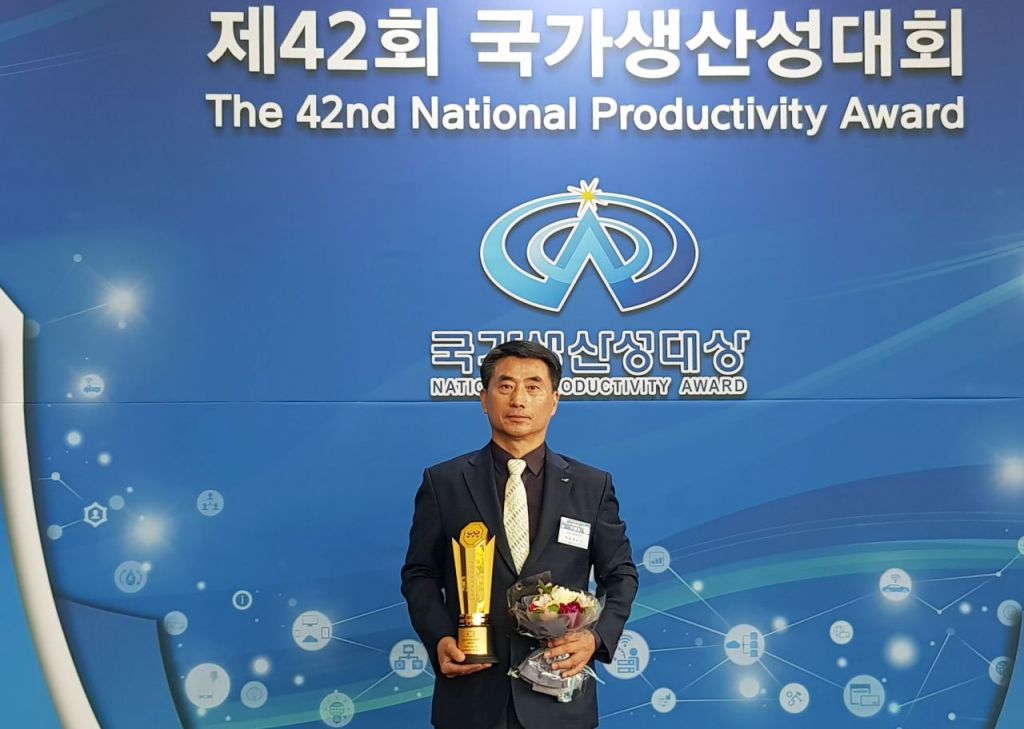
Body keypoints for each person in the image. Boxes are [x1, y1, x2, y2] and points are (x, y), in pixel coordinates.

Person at [401, 341, 638, 729]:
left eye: (533, 387)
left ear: (554, 400)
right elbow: (420, 574)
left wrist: (596, 639)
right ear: (484, 398)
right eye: (506, 386)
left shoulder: (591, 485)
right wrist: (440, 637)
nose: (518, 400)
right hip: (472, 694)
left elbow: (621, 574)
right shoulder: (444, 483)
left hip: (559, 693)